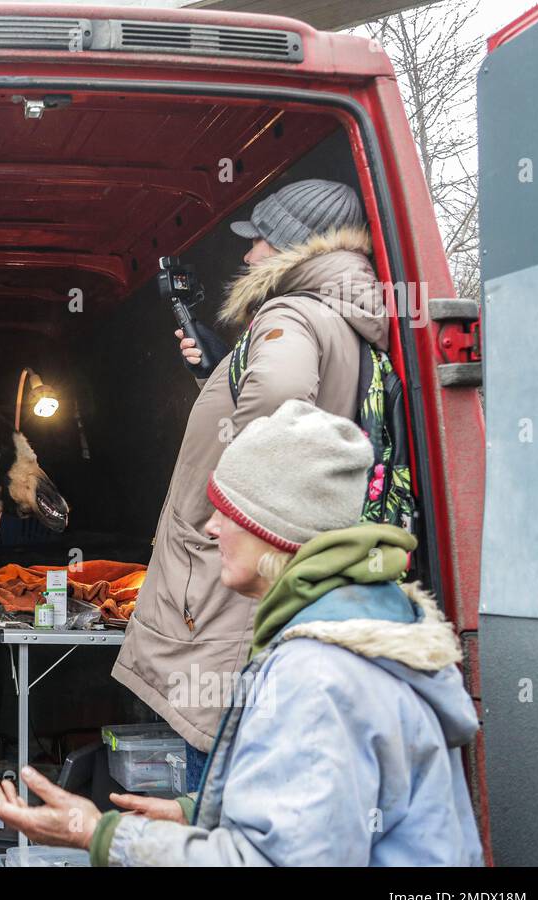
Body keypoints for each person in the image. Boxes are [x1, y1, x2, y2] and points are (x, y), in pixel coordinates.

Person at [0, 401, 483, 866]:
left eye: (229, 511)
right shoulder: (354, 630)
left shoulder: (318, 675)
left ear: (273, 531)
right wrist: (202, 813)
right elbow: (319, 808)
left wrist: (98, 833)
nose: (212, 527)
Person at [112, 178, 390, 789]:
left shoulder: (289, 312)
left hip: (235, 589)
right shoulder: (341, 319)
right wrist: (223, 369)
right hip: (276, 585)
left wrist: (232, 515)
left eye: (259, 240)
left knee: (217, 769)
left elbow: (279, 403)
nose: (247, 255)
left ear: (293, 246)